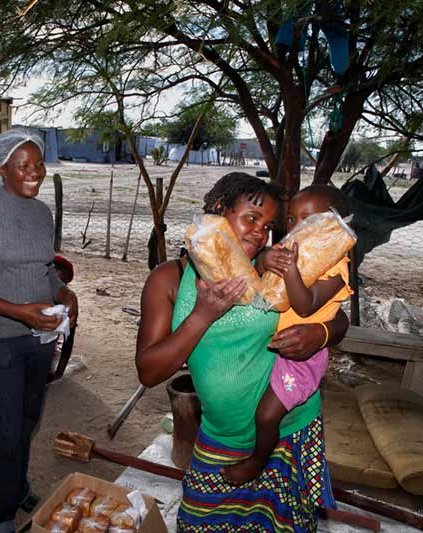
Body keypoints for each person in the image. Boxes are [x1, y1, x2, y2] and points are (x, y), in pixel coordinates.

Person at [135, 172, 348, 532]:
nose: (259, 233)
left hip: (288, 428)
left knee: (282, 525)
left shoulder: (267, 265)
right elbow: (149, 372)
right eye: (252, 218)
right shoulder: (170, 279)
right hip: (224, 437)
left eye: (268, 226)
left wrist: (321, 332)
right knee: (201, 522)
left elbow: (335, 314)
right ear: (219, 210)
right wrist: (202, 315)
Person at [0, 129, 78, 533]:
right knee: (6, 430)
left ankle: (16, 486)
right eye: (23, 165)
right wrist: (18, 312)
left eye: (38, 164)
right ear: (2, 169)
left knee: (26, 419)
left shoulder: (41, 213)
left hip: (38, 338)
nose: (34, 172)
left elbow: (44, 268)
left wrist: (62, 291)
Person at [221, 184, 354, 486]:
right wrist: (267, 258)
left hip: (301, 359)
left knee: (267, 416)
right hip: (276, 349)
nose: (297, 227)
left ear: (332, 226)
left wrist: (291, 269)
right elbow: (262, 272)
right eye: (292, 220)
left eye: (309, 220)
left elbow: (305, 306)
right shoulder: (296, 253)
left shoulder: (337, 267)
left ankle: (257, 461)